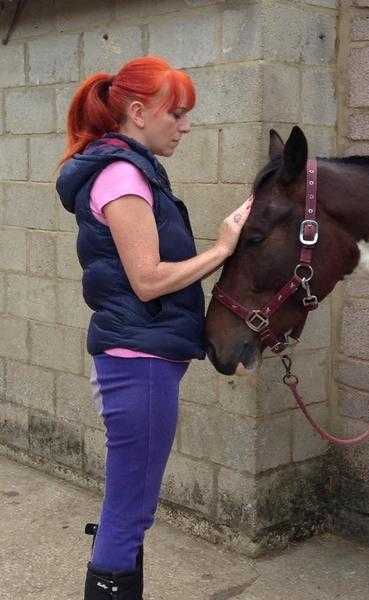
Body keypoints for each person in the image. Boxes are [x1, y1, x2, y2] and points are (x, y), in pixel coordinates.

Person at [56, 55, 253, 600]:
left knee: (128, 502)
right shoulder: (120, 175)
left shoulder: (130, 169)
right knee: (130, 509)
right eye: (178, 114)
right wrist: (222, 249)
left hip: (139, 358)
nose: (186, 126)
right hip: (137, 364)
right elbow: (148, 280)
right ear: (139, 112)